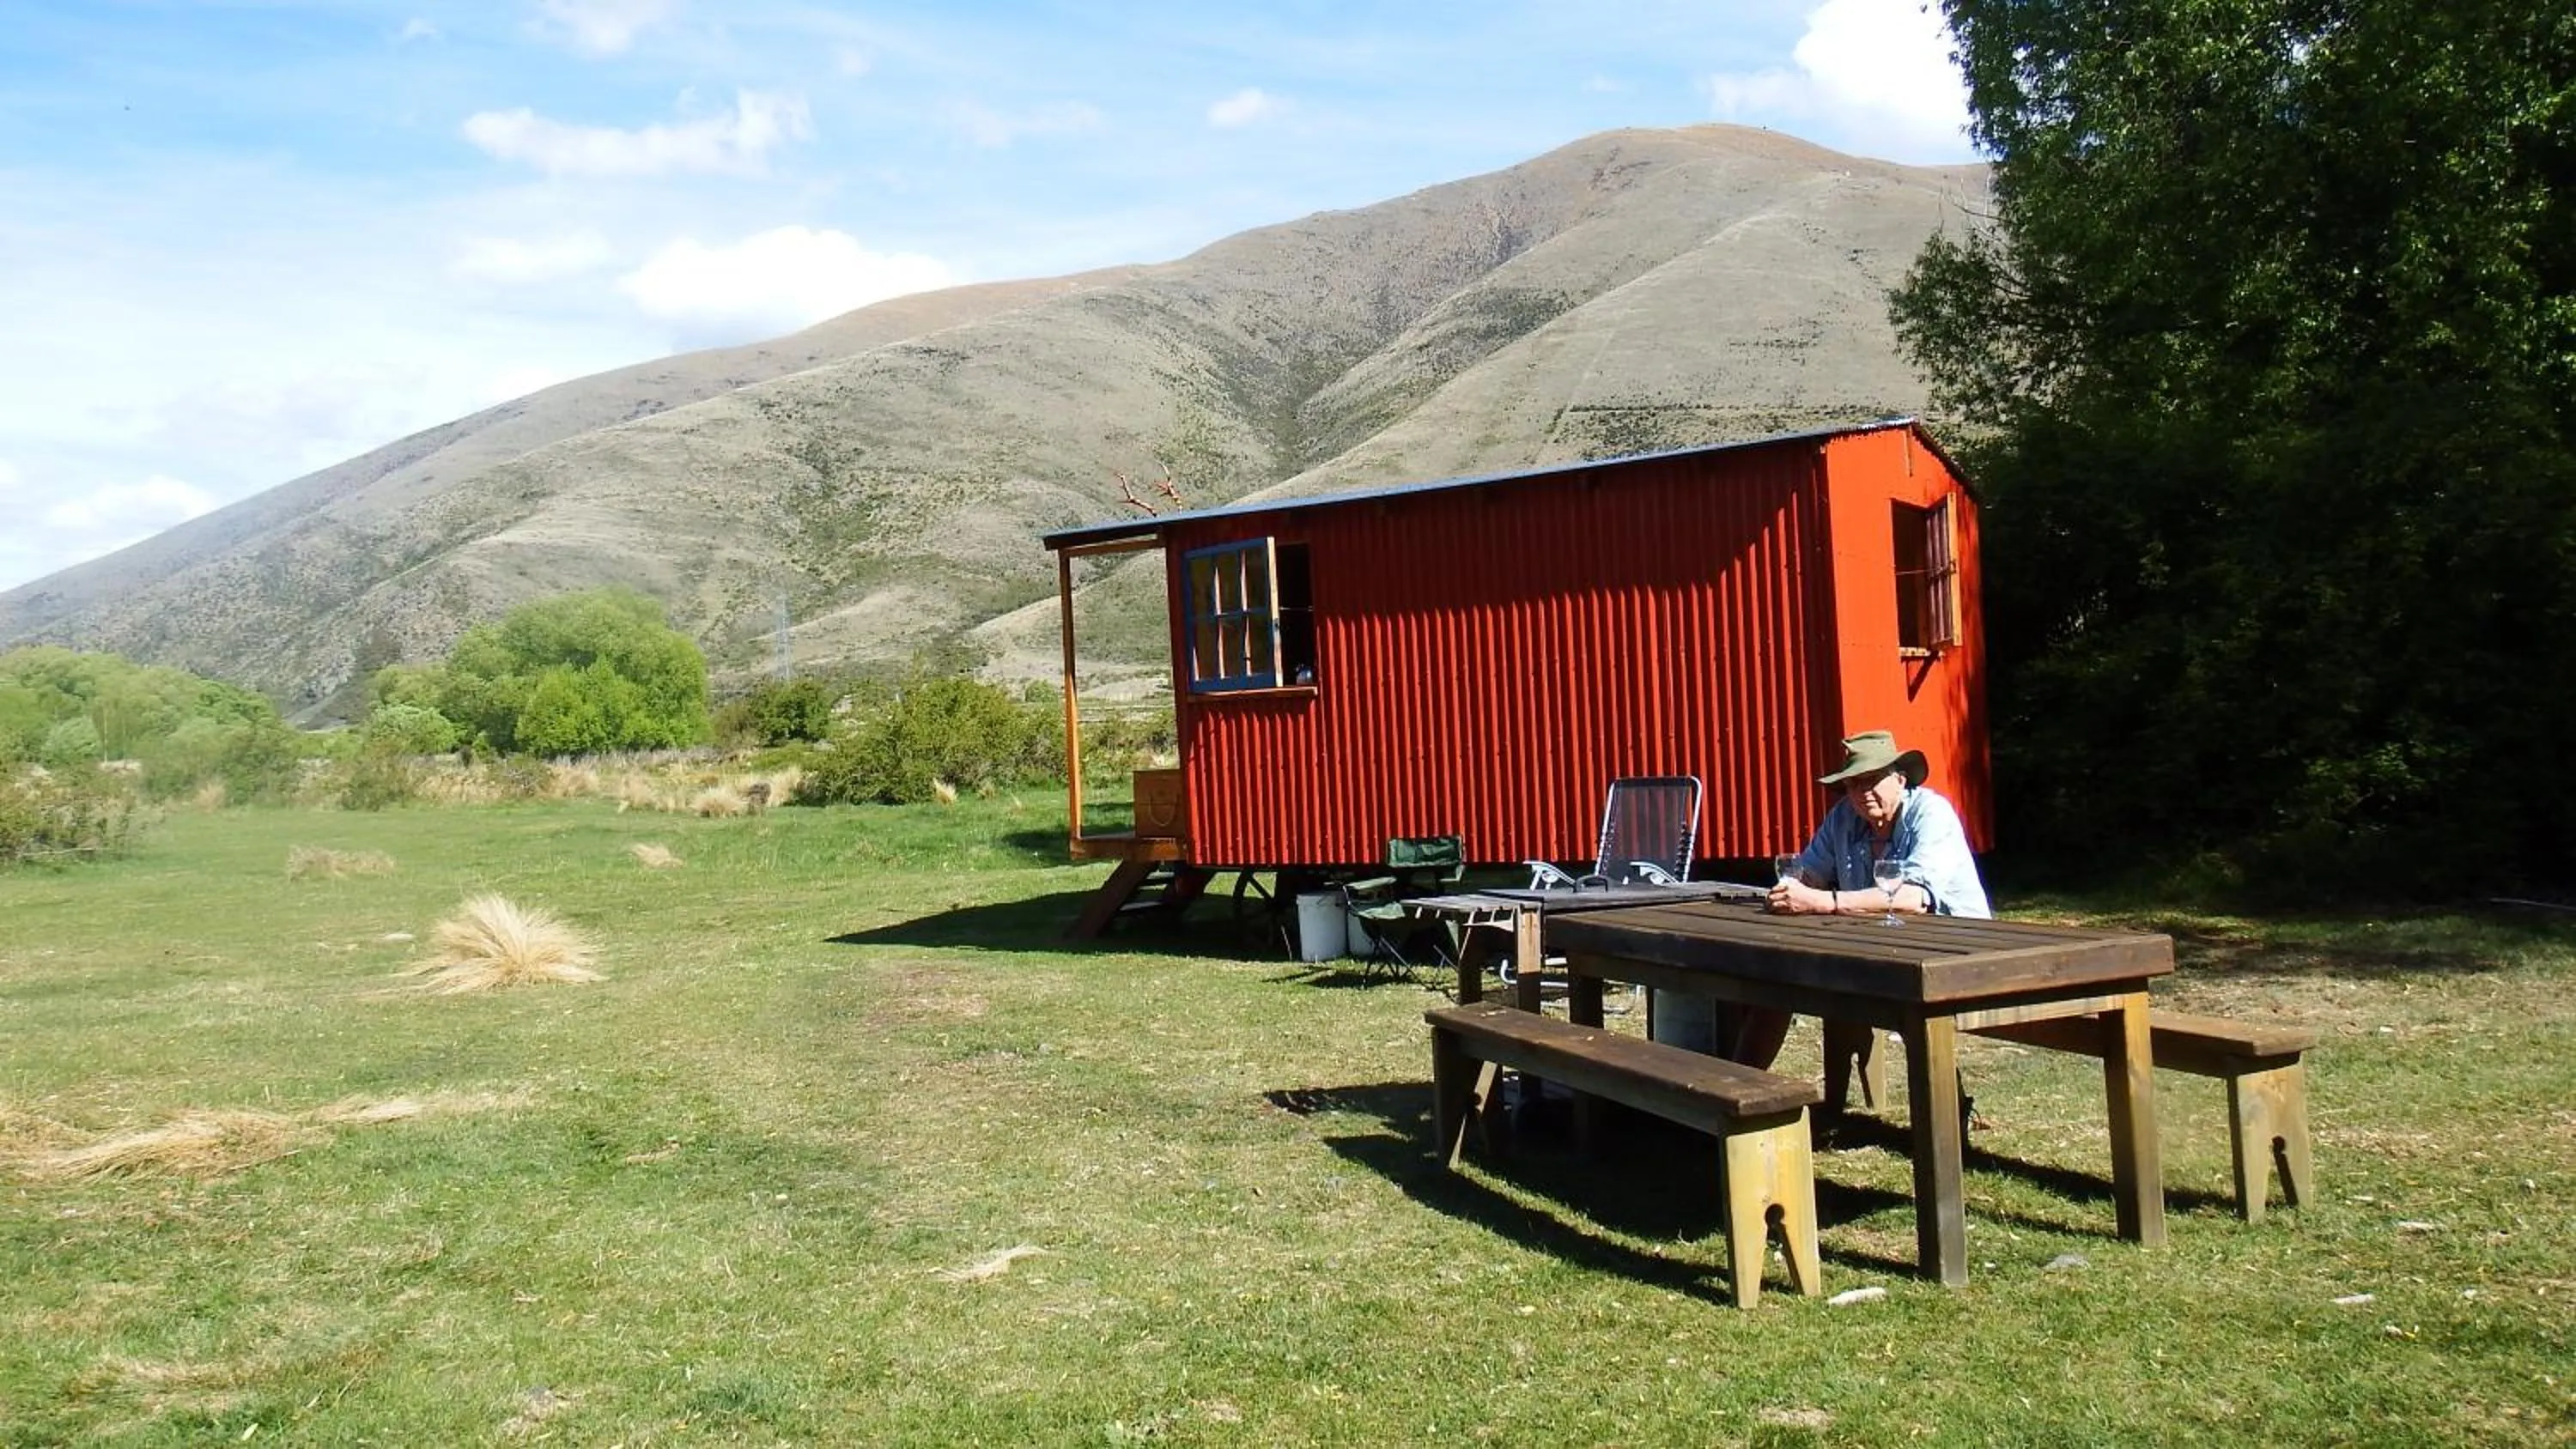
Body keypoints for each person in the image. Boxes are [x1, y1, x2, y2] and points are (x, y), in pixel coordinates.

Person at [1729, 730, 1991, 1070]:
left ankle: (1943, 1100)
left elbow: (1914, 898)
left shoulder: (1931, 813)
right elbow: (1809, 873)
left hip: (1959, 952)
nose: (1862, 792)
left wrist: (1824, 901)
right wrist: (1792, 889)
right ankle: (1738, 1084)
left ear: (1900, 779)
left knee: (1827, 981)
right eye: (1853, 784)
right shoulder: (1844, 816)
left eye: (1872, 780)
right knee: (1775, 974)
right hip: (1885, 944)